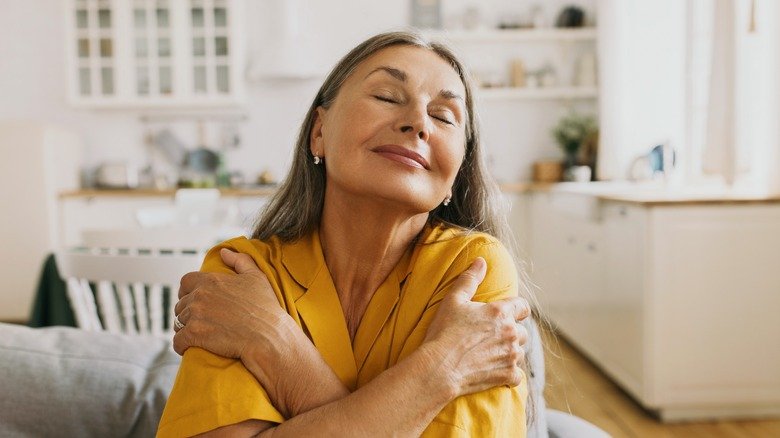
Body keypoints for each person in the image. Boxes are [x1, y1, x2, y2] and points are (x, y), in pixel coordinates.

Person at [158, 31, 535, 437]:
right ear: (318, 131)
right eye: (388, 97)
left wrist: (272, 341)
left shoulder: (475, 270)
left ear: (457, 171)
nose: (419, 123)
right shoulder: (239, 272)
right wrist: (445, 368)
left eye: (444, 116)